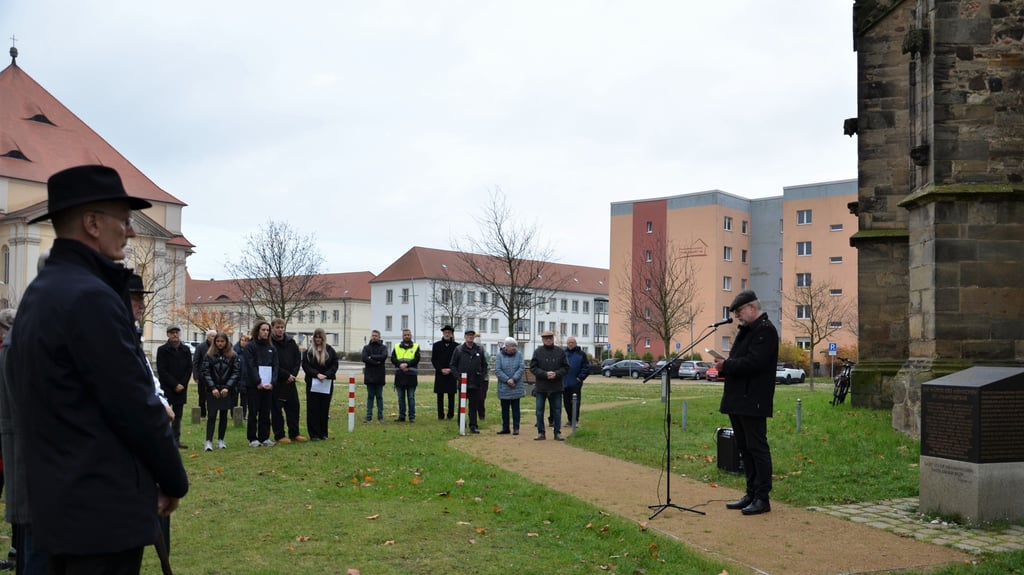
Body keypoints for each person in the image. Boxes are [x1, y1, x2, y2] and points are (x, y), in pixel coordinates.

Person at [4, 164, 188, 573]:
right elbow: (133, 403)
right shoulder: (91, 298)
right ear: (91, 223)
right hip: (100, 513)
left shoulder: (41, 294)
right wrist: (173, 478)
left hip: (58, 505)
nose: (133, 231)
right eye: (122, 220)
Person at [715, 290, 779, 516]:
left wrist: (727, 365)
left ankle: (763, 497)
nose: (738, 316)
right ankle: (751, 493)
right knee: (744, 448)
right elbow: (738, 360)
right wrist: (726, 364)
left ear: (752, 307)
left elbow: (754, 362)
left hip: (754, 400)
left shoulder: (766, 331)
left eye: (740, 311)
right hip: (738, 399)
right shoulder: (746, 331)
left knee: (757, 448)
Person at [201, 332, 240, 451]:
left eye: (222, 341)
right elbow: (205, 372)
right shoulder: (209, 355)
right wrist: (213, 388)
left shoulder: (233, 355)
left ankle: (221, 440)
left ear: (226, 342)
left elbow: (236, 372)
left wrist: (227, 387)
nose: (220, 343)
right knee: (212, 415)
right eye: (218, 341)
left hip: (226, 390)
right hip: (213, 390)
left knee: (223, 415)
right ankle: (208, 441)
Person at [270, 318, 307, 443]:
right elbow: (273, 363)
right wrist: (286, 375)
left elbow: (297, 360)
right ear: (272, 328)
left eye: (282, 327)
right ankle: (279, 435)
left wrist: (293, 375)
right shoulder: (270, 343)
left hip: (290, 382)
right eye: (277, 327)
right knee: (276, 410)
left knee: (294, 407)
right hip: (277, 381)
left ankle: (294, 433)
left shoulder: (291, 342)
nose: (280, 330)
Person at [529, 330, 569, 441]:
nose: (548, 339)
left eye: (550, 337)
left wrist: (556, 374)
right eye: (546, 338)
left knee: (557, 411)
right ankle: (541, 433)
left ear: (553, 338)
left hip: (556, 386)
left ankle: (557, 433)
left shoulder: (560, 352)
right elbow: (533, 368)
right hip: (541, 387)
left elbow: (566, 367)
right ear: (542, 339)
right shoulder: (537, 352)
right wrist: (545, 374)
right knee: (539, 411)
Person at [157, 324, 193, 449]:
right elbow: (162, 370)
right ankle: (164, 439)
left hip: (181, 388)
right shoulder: (162, 350)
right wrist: (174, 384)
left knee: (178, 416)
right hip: (167, 387)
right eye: (172, 332)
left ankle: (176, 440)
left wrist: (182, 384)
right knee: (165, 415)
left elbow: (189, 368)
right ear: (168, 334)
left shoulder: (186, 350)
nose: (175, 335)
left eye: (177, 332)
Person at [244, 321, 278, 447]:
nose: (265, 332)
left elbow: (275, 366)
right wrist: (257, 381)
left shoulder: (271, 348)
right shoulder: (250, 346)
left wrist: (272, 382)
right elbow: (250, 365)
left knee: (265, 412)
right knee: (253, 412)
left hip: (268, 385)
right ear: (258, 330)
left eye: (267, 330)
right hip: (254, 386)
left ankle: (264, 437)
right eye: (263, 330)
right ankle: (252, 438)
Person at [302, 328, 338, 440]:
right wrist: (317, 374)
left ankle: (323, 433)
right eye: (316, 337)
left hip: (326, 384)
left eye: (319, 337)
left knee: (324, 408)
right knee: (313, 409)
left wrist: (326, 375)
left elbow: (334, 365)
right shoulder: (309, 351)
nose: (317, 339)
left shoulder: (330, 350)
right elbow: (306, 366)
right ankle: (314, 434)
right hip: (313, 383)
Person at [450, 329, 487, 434]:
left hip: (475, 383)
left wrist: (481, 376)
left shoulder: (479, 349)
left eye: (472, 335)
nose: (470, 337)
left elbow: (484, 365)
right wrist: (458, 377)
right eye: (468, 335)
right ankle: (461, 424)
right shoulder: (459, 349)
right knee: (462, 405)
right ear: (465, 337)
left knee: (473, 405)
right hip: (463, 383)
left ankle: (473, 425)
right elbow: (452, 365)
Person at [493, 337, 525, 435]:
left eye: (515, 346)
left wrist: (514, 379)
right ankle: (505, 428)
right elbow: (498, 370)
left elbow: (521, 368)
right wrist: (507, 380)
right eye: (512, 346)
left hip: (516, 385)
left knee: (516, 409)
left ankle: (516, 428)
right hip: (504, 386)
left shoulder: (519, 355)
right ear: (506, 346)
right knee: (505, 409)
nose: (514, 348)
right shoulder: (499, 356)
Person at [390, 329, 420, 422]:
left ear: (411, 336)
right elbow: (393, 358)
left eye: (408, 335)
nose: (407, 336)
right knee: (400, 398)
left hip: (411, 375)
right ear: (402, 336)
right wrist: (400, 365)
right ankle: (402, 416)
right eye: (405, 335)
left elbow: (417, 359)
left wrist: (407, 365)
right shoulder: (396, 346)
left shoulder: (416, 346)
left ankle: (412, 417)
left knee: (411, 397)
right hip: (400, 375)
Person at [431, 325, 458, 420]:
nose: (447, 334)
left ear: (451, 334)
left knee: (451, 396)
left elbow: (457, 361)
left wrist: (451, 369)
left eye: (449, 332)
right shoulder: (436, 345)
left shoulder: (456, 346)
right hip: (440, 374)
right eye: (445, 332)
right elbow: (434, 360)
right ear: (443, 333)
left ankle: (450, 415)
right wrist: (441, 369)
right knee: (440, 395)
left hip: (451, 374)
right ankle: (440, 415)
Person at [562, 337, 590, 427]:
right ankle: (570, 420)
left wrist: (580, 378)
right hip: (565, 383)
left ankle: (575, 420)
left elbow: (586, 367)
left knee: (575, 402)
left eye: (572, 342)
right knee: (566, 402)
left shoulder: (581, 354)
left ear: (575, 343)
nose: (570, 344)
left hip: (576, 383)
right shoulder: (563, 354)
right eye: (569, 342)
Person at [361, 330, 388, 423]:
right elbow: (364, 358)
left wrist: (371, 357)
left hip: (380, 375)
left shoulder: (384, 347)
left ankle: (380, 416)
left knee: (379, 396)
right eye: (373, 335)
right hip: (369, 376)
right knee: (370, 396)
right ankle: (369, 416)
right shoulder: (366, 347)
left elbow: (384, 356)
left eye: (376, 336)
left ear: (379, 337)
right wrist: (376, 362)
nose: (374, 337)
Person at [192, 329, 217, 419]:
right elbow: (196, 362)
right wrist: (195, 375)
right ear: (208, 337)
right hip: (202, 376)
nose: (214, 338)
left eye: (215, 336)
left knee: (213, 395)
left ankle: (212, 413)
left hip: (214, 375)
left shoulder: (218, 347)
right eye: (212, 336)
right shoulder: (200, 347)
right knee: (202, 396)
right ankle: (202, 414)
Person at [233, 333, 251, 421]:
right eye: (242, 340)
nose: (244, 342)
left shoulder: (250, 353)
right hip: (236, 379)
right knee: (234, 398)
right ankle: (234, 415)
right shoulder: (234, 351)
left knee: (245, 399)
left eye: (246, 341)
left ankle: (244, 414)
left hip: (246, 378)